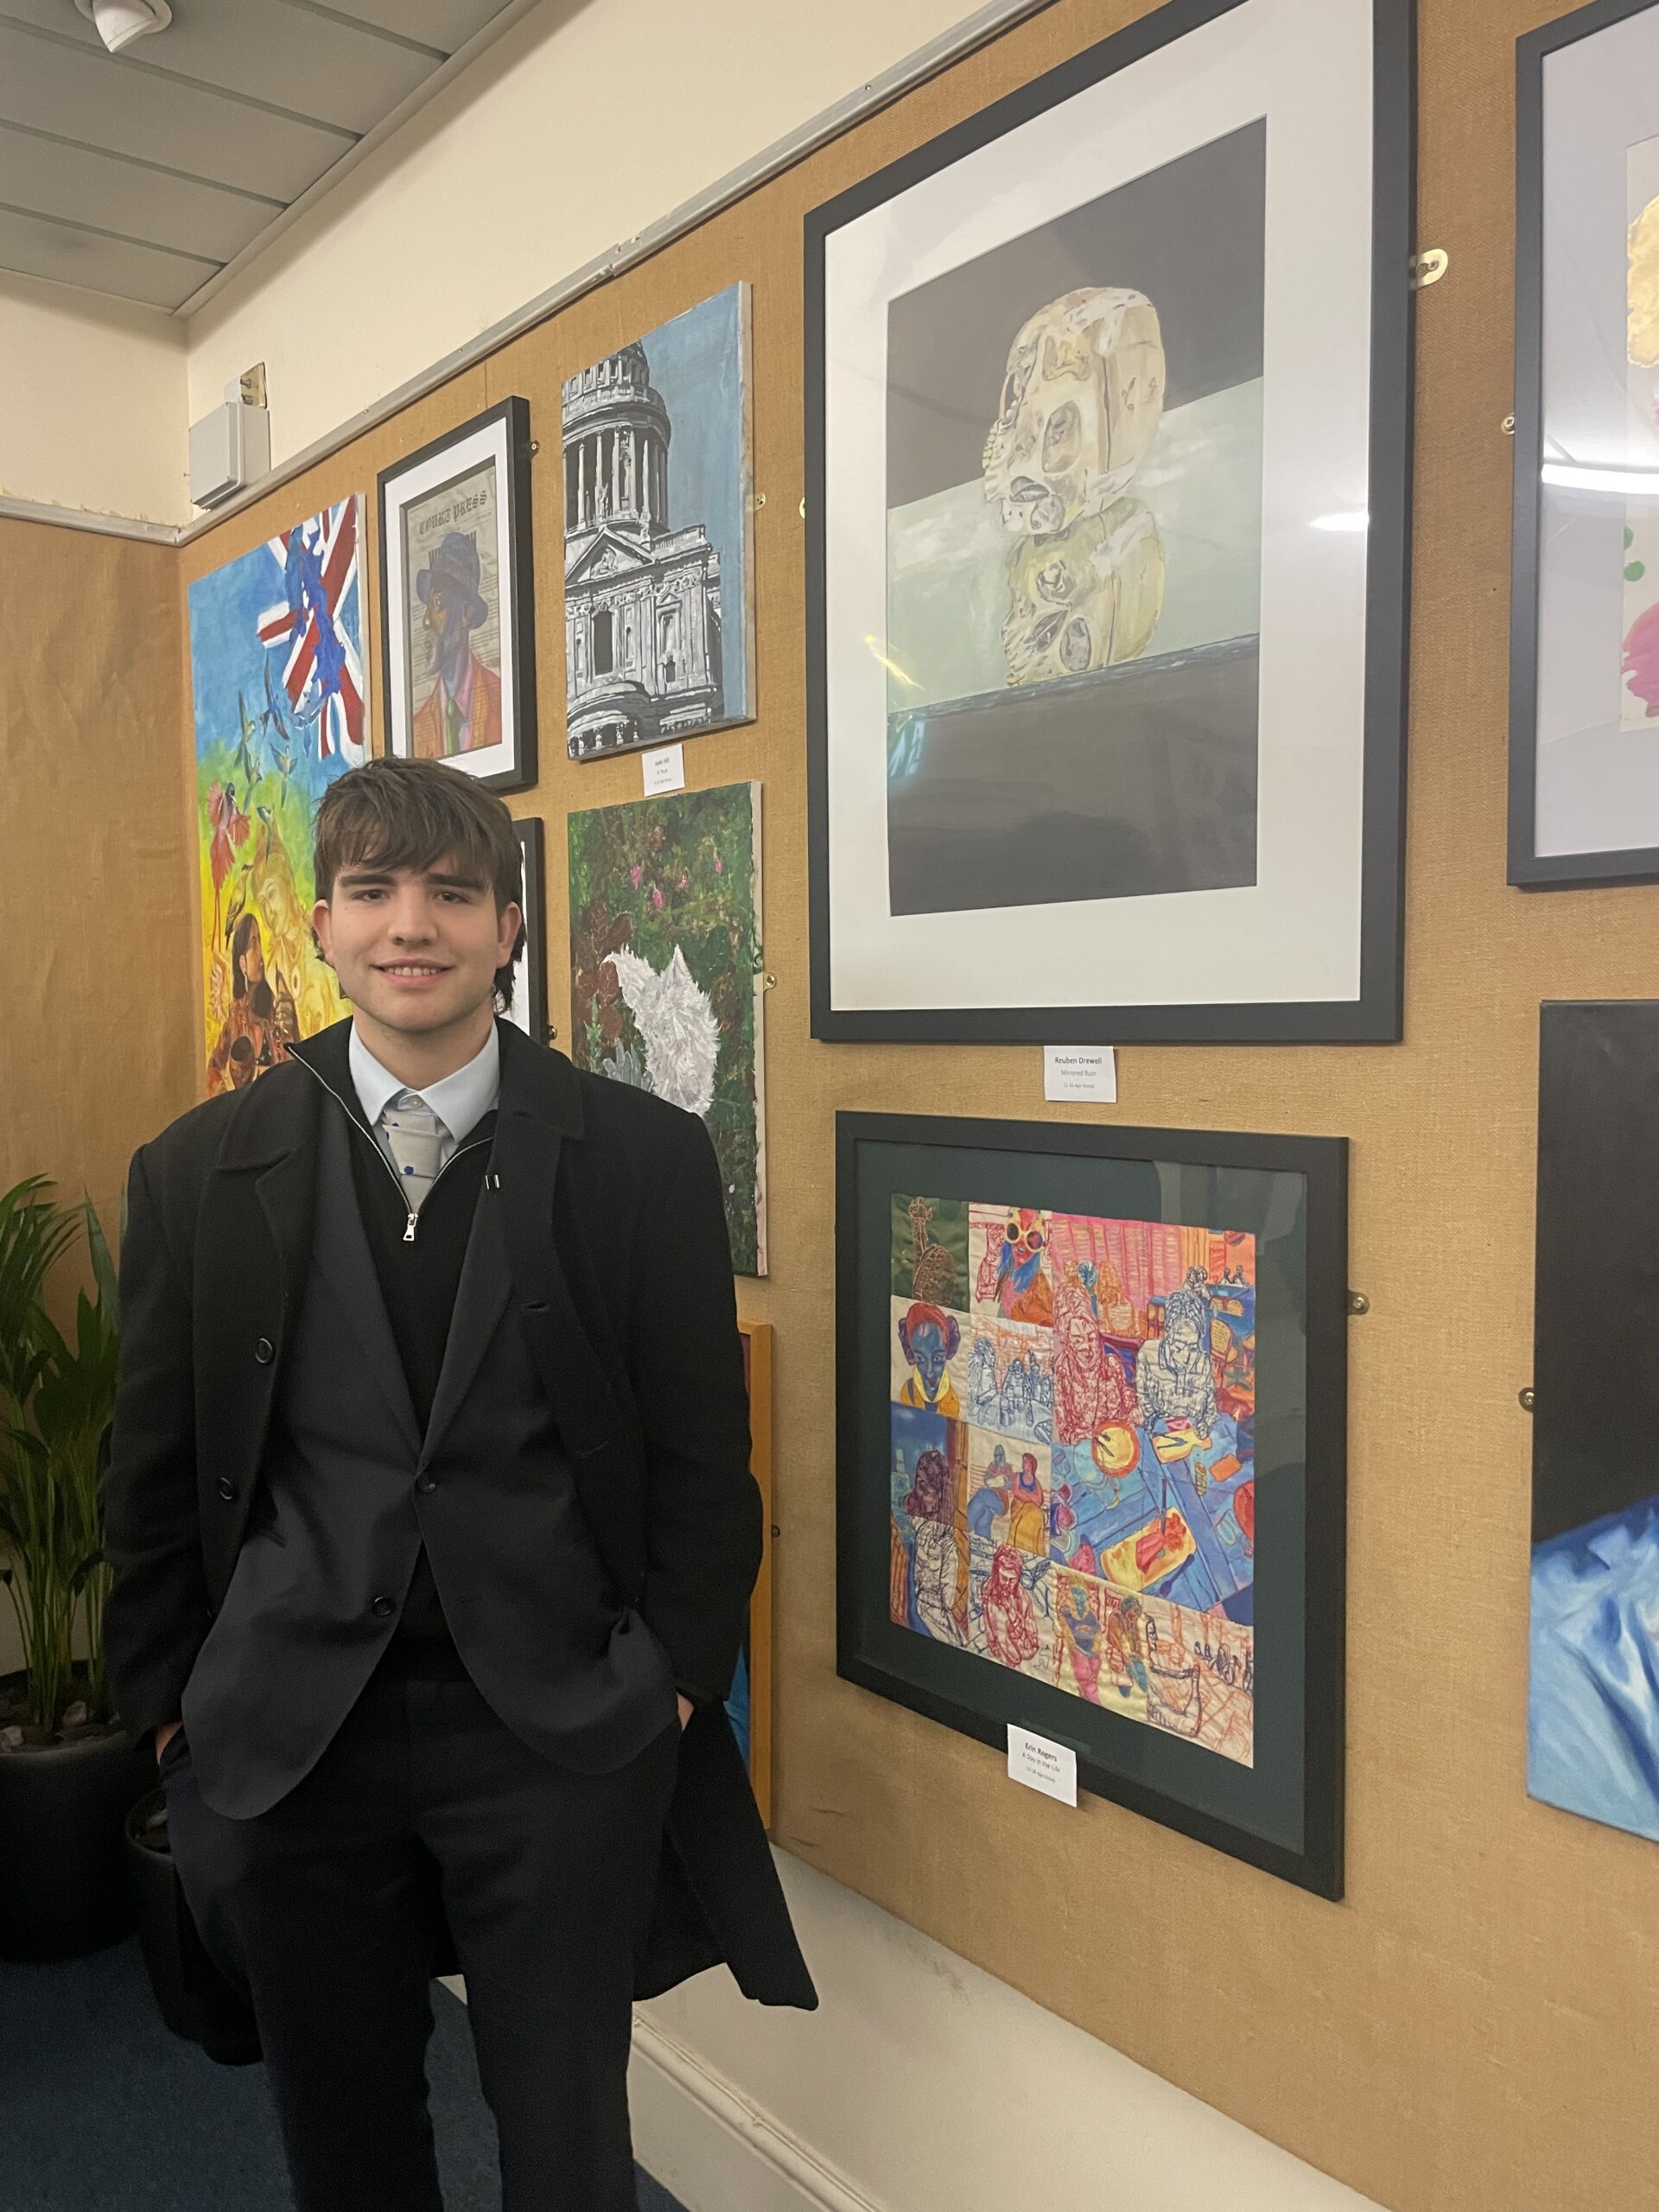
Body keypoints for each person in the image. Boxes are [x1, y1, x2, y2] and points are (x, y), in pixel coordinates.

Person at [102, 755, 814, 2212]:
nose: (410, 924)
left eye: (451, 892)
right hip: (290, 1735)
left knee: (568, 2138)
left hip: (559, 1732)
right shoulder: (199, 1171)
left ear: (509, 927)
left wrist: (674, 1688)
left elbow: (702, 1458)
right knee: (345, 2137)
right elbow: (153, 1471)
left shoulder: (641, 1160)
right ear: (322, 925)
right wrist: (172, 1722)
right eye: (372, 891)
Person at [410, 530, 504, 759]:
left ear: (466, 613)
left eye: (438, 603)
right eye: (428, 606)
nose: (426, 621)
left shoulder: (501, 702)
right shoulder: (418, 727)